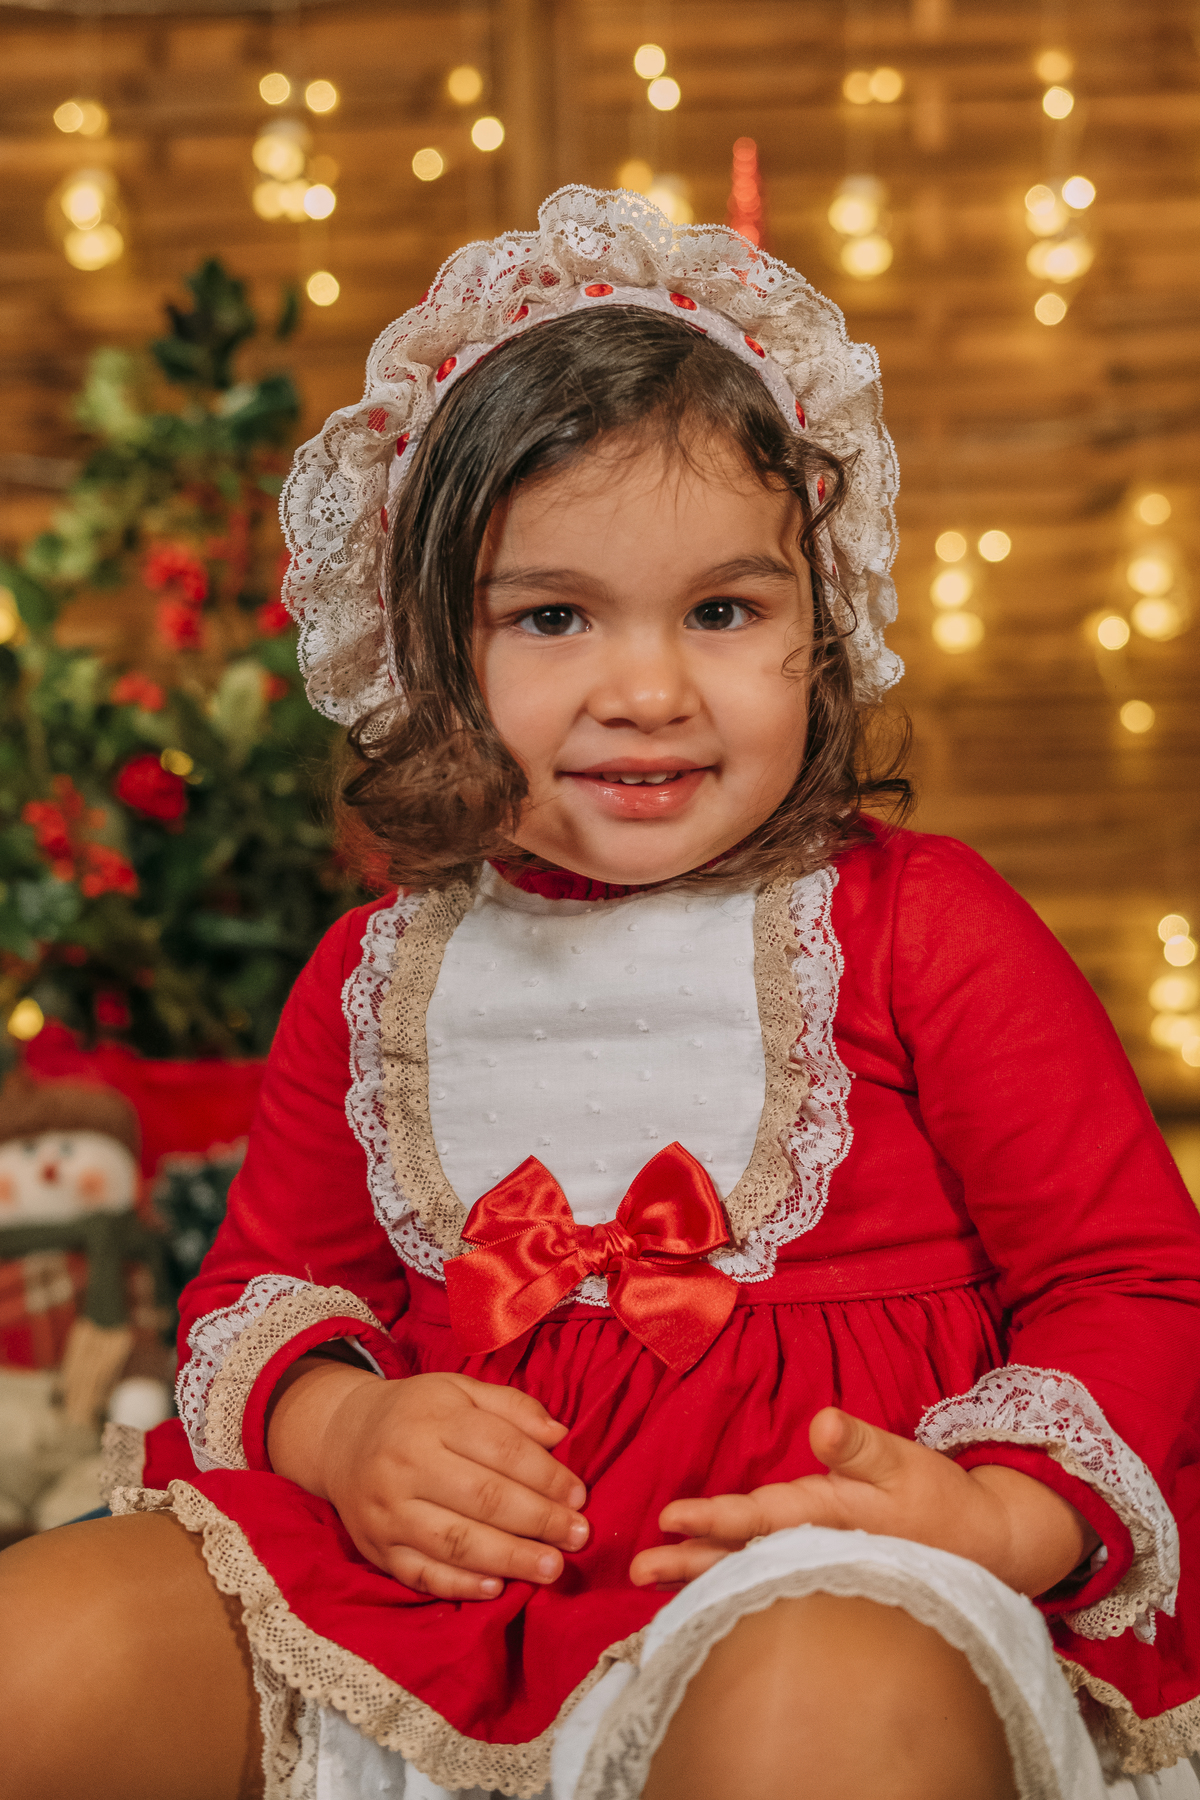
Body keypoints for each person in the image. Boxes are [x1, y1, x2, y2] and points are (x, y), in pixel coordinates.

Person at [2, 187, 1198, 1800]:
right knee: (45, 1648)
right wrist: (340, 1434)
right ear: (432, 655)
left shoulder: (922, 932)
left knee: (817, 1709)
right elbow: (260, 1297)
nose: (648, 691)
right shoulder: (376, 981)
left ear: (819, 625)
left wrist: (1000, 1510)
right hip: (433, 1605)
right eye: (552, 617)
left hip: (828, 1562)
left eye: (723, 610)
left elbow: (1138, 1279)